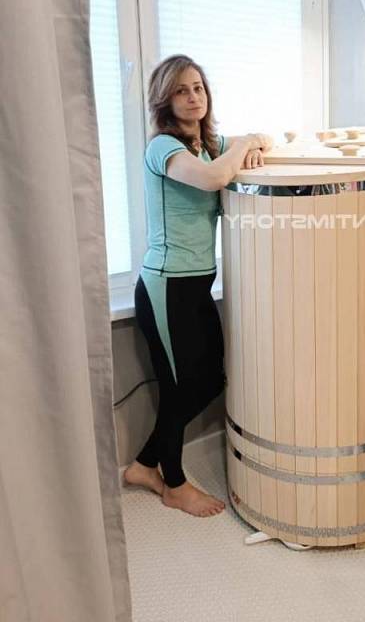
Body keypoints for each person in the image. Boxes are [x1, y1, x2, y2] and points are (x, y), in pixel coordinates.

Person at [123, 54, 272, 517]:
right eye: (182, 90)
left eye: (198, 88)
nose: (193, 97)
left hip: (196, 287)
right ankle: (173, 484)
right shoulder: (163, 148)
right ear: (164, 100)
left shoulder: (207, 144)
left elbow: (266, 139)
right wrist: (242, 145)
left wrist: (252, 143)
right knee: (178, 388)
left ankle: (143, 465)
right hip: (166, 288)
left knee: (210, 381)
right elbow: (212, 179)